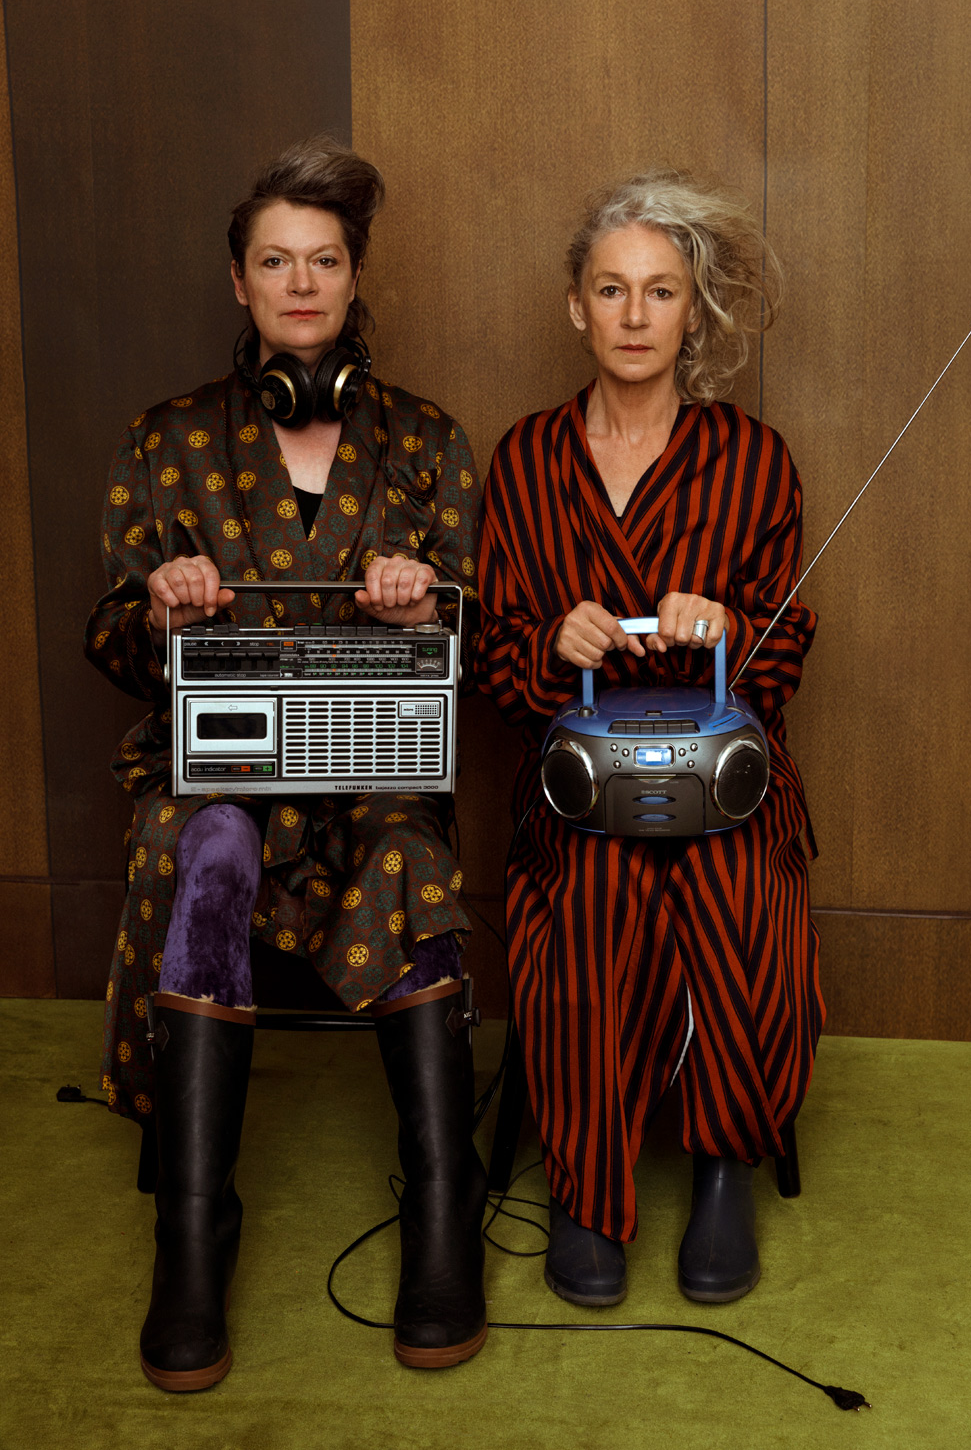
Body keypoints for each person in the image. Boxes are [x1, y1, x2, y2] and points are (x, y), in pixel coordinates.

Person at [85, 136, 487, 1388]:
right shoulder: (163, 440)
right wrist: (163, 608)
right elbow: (107, 639)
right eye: (275, 262)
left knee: (411, 852)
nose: (300, 284)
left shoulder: (425, 439)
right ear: (239, 282)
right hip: (219, 778)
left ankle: (442, 1209)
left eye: (323, 261)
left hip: (372, 776)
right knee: (201, 842)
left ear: (354, 278)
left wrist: (427, 605)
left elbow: (480, 638)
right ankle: (193, 1236)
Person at [476, 167, 821, 1309]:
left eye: (660, 291)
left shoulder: (755, 459)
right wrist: (553, 641)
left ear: (692, 310)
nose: (635, 316)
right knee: (590, 890)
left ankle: (723, 1167)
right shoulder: (524, 459)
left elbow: (784, 644)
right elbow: (493, 659)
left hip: (723, 783)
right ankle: (590, 1184)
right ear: (575, 305)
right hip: (580, 787)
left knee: (736, 879)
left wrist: (725, 626)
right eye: (612, 289)